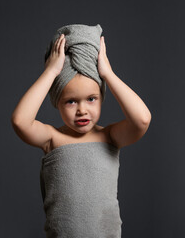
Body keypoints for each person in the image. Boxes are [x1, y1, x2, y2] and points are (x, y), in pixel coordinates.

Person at [11, 24, 151, 238]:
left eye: (91, 99)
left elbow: (142, 119)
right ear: (57, 102)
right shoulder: (52, 139)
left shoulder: (110, 137)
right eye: (71, 102)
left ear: (102, 97)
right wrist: (51, 72)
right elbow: (20, 121)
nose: (82, 110)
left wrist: (108, 74)